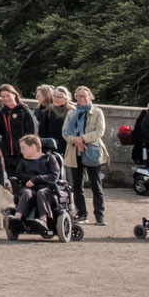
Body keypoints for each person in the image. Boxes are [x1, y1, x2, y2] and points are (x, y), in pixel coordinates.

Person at [62, 85, 109, 227]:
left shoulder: (97, 112)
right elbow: (65, 132)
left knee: (96, 185)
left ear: (90, 97)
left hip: (91, 151)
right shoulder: (71, 113)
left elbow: (99, 131)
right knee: (77, 185)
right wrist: (75, 141)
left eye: (84, 96)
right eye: (79, 96)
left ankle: (99, 216)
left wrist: (82, 138)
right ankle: (82, 214)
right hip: (75, 151)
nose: (81, 99)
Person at [12, 133, 65, 234]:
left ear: (33, 147)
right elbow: (19, 175)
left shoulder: (50, 158)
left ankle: (43, 220)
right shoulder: (24, 161)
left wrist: (35, 179)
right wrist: (29, 180)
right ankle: (17, 219)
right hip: (29, 188)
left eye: (23, 148)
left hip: (48, 189)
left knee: (41, 193)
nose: (21, 151)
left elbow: (54, 176)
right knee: (26, 193)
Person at [0, 84, 37, 185]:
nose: (6, 99)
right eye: (3, 97)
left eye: (8, 95)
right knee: (12, 182)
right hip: (8, 154)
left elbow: (32, 132)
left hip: (23, 153)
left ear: (14, 94)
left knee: (25, 182)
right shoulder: (2, 113)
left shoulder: (23, 110)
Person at [36, 85, 71, 158]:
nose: (56, 99)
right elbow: (42, 131)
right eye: (54, 96)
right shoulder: (48, 111)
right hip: (51, 147)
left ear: (66, 99)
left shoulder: (71, 111)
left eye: (59, 97)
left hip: (68, 147)